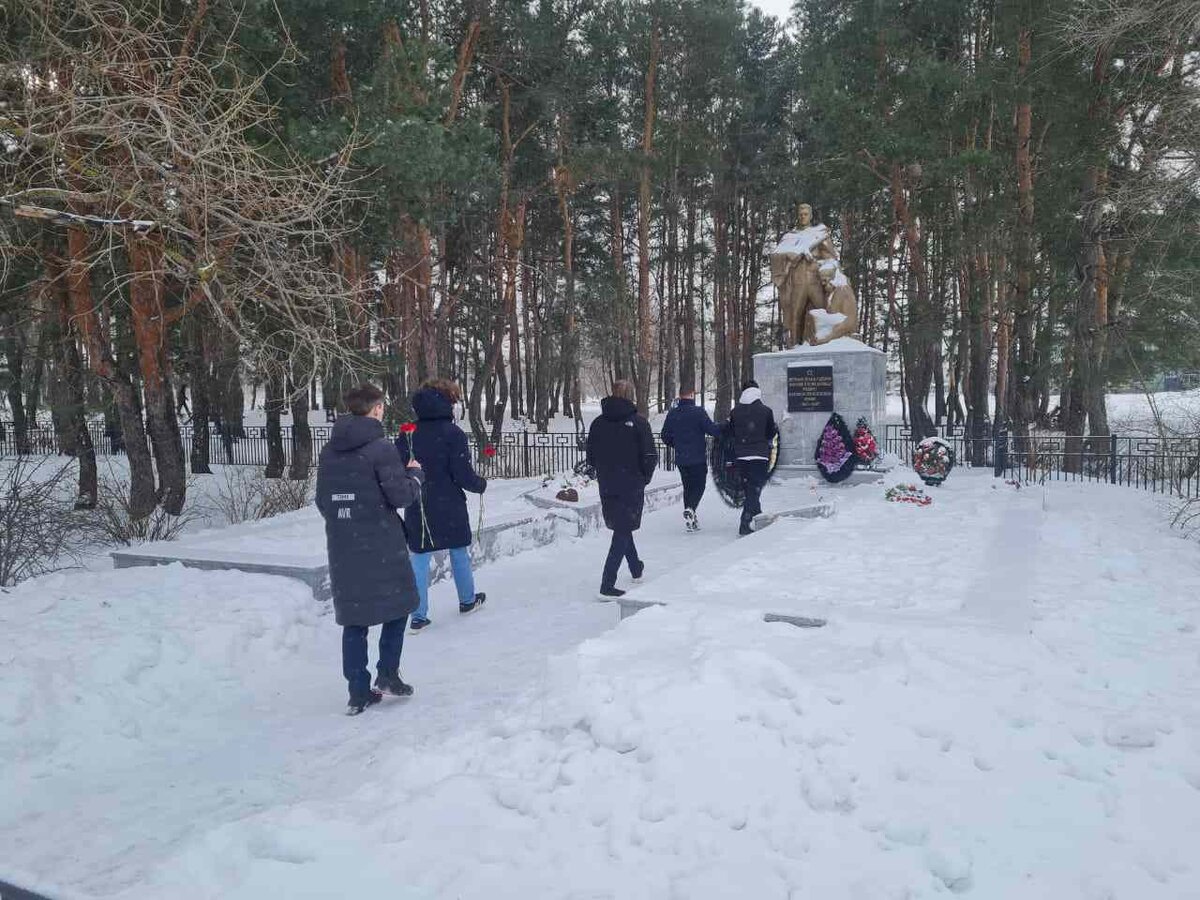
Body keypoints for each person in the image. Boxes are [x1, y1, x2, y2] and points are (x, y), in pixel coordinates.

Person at [316, 383, 425, 715]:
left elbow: (323, 501)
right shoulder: (380, 448)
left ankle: (358, 691)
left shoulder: (329, 450)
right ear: (376, 408)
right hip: (382, 543)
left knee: (355, 619)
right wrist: (416, 476)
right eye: (382, 407)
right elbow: (401, 496)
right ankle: (388, 673)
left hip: (344, 546)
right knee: (399, 606)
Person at [395, 379, 487, 633]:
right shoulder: (452, 433)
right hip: (449, 503)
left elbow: (398, 466)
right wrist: (480, 484)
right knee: (459, 551)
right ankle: (467, 600)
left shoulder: (408, 432)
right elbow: (462, 474)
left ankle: (418, 615)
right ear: (447, 402)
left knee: (420, 557)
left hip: (418, 502)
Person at [586, 380, 657, 599]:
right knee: (623, 529)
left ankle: (636, 568)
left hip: (607, 483)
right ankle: (607, 585)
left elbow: (591, 456)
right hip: (631, 483)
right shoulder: (639, 423)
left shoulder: (598, 423)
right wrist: (644, 478)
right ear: (630, 396)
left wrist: (604, 472)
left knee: (621, 526)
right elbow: (650, 455)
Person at [660, 387, 722, 532]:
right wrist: (724, 427)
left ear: (680, 396)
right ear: (692, 395)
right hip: (697, 457)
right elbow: (712, 430)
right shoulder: (698, 412)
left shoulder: (673, 413)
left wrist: (675, 444)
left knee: (688, 487)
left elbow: (664, 436)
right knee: (699, 485)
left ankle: (691, 519)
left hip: (682, 458)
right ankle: (691, 509)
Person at [727, 379, 778, 536]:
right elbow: (770, 433)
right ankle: (745, 522)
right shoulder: (766, 411)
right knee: (754, 488)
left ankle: (758, 514)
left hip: (741, 456)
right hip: (759, 455)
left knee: (750, 488)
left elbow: (732, 433)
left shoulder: (735, 412)